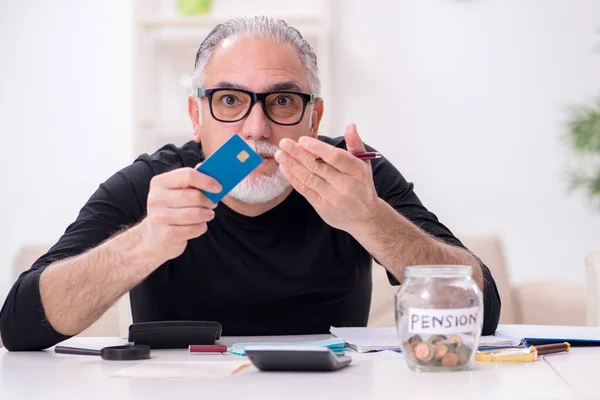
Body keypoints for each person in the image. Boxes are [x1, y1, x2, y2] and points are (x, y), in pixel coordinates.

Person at [0, 16, 500, 351]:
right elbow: (19, 327)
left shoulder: (355, 175)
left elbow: (484, 308)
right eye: (230, 101)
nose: (257, 130)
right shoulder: (149, 184)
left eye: (281, 102)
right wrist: (142, 245)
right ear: (197, 116)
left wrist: (371, 219)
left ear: (313, 116)